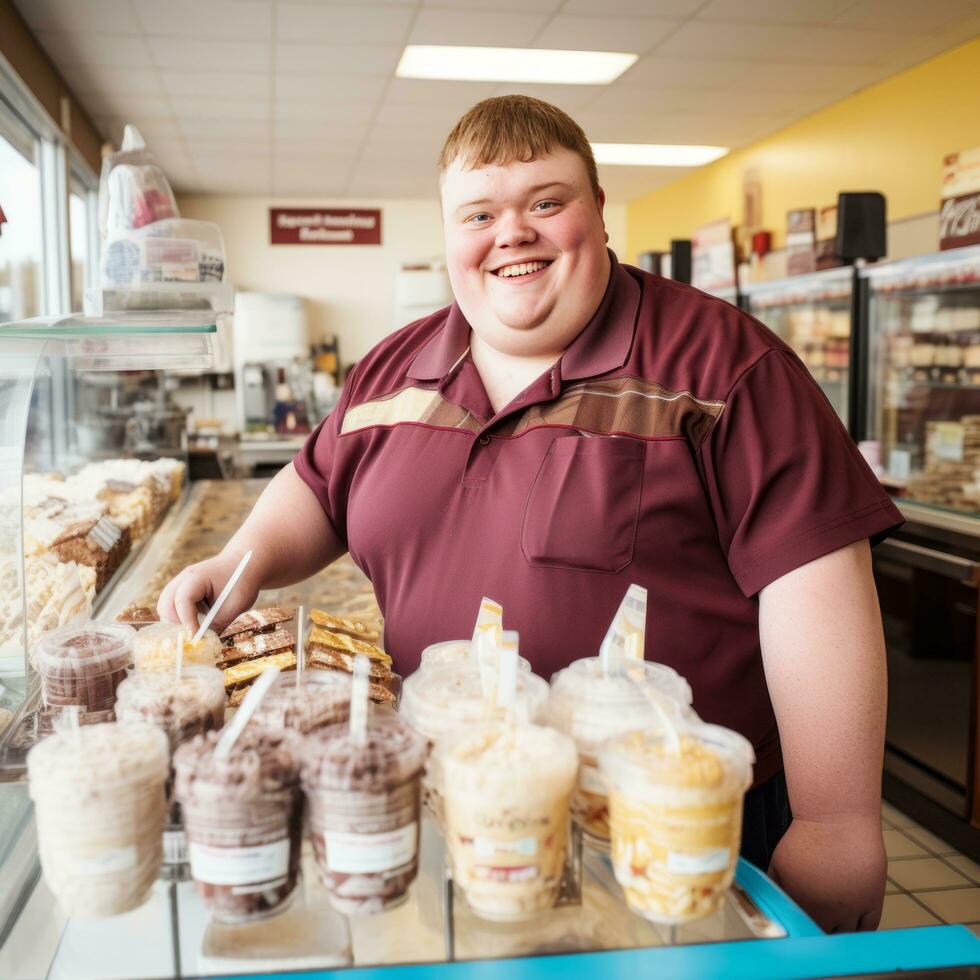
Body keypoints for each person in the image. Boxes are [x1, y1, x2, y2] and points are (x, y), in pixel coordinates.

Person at [159, 95, 901, 932]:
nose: (512, 233)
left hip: (665, 825)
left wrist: (838, 823)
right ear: (449, 237)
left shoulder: (726, 368)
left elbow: (816, 588)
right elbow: (318, 482)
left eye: (546, 202)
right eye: (479, 213)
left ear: (597, 211)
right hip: (455, 798)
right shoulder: (392, 369)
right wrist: (244, 560)